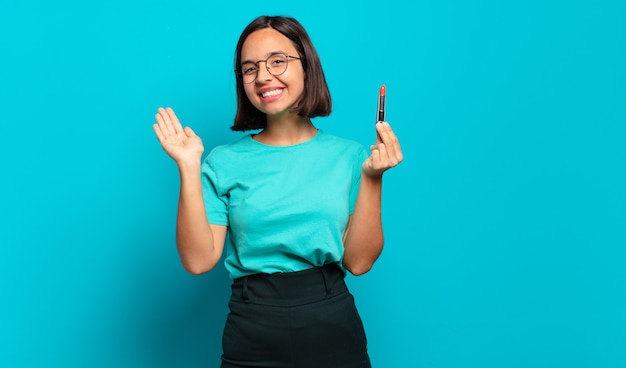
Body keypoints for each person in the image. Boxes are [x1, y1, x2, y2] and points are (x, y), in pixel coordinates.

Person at [153, 15, 403, 368]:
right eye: (250, 68)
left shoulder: (350, 157)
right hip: (251, 326)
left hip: (330, 321)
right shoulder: (222, 162)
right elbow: (198, 261)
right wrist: (188, 167)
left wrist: (374, 178)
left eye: (277, 61)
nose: (264, 76)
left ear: (307, 66)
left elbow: (359, 262)